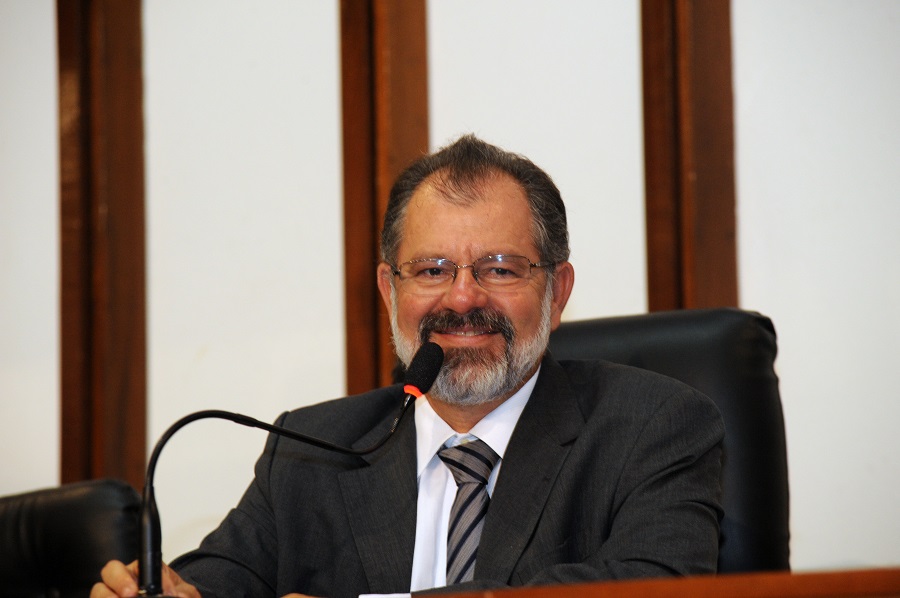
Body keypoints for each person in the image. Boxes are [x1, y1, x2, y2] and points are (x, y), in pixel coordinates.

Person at [93, 135, 724, 598]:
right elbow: (216, 584)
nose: (463, 298)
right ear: (389, 292)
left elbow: (654, 589)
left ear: (556, 293)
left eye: (499, 268)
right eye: (431, 270)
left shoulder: (652, 428)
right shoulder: (310, 450)